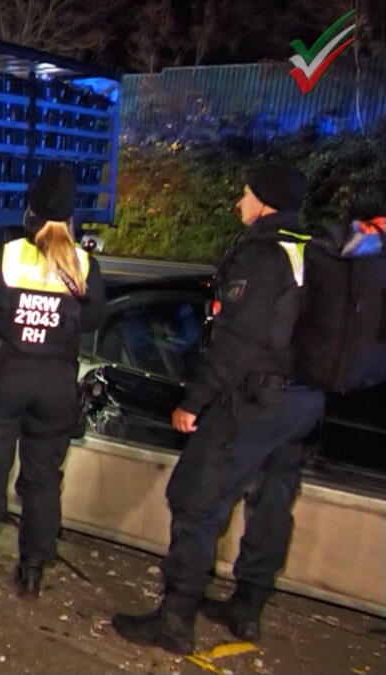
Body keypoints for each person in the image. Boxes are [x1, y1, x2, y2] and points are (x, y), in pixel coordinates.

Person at [112, 164, 324, 655]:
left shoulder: (261, 257)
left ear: (265, 202)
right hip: (301, 403)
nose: (239, 203)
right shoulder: (312, 251)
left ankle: (175, 619)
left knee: (194, 498)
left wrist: (194, 401)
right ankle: (247, 609)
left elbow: (235, 343)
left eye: (246, 193)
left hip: (254, 398)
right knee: (272, 501)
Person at [0, 166, 105, 595]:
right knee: (43, 479)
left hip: (3, 379)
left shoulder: (7, 254)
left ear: (31, 210)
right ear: (72, 216)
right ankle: (31, 572)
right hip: (55, 385)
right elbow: (93, 319)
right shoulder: (85, 265)